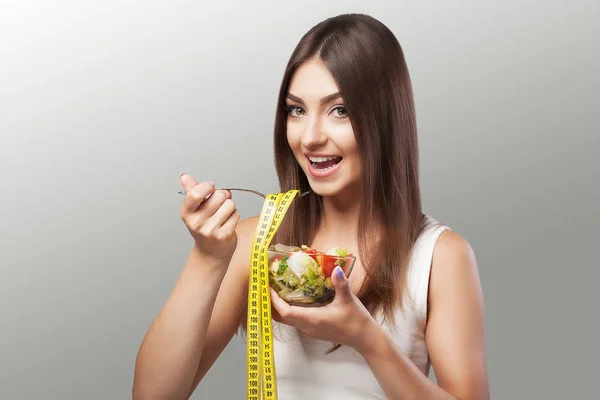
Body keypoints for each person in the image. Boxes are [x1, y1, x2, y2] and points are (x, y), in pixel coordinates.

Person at [133, 13, 490, 400]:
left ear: (386, 119)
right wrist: (206, 258)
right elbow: (152, 396)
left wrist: (367, 339)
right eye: (296, 110)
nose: (310, 137)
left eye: (340, 110)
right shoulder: (256, 242)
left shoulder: (440, 257)